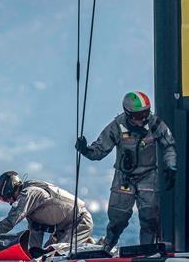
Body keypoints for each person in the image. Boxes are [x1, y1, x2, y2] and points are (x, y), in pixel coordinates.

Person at [75, 91, 176, 250]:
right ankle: (107, 247)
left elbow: (168, 145)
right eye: (138, 115)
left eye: (145, 113)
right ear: (128, 114)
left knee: (150, 216)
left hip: (149, 175)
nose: (143, 118)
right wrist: (85, 150)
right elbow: (99, 151)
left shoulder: (155, 123)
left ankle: (147, 249)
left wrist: (171, 166)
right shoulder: (117, 126)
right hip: (124, 177)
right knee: (118, 217)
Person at [0, 171, 94, 257]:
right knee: (45, 255)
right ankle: (87, 244)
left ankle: (91, 247)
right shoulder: (30, 206)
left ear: (10, 191)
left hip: (80, 222)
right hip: (62, 230)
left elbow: (11, 221)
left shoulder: (29, 193)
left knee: (57, 255)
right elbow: (35, 231)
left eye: (7, 199)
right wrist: (31, 256)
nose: (10, 202)